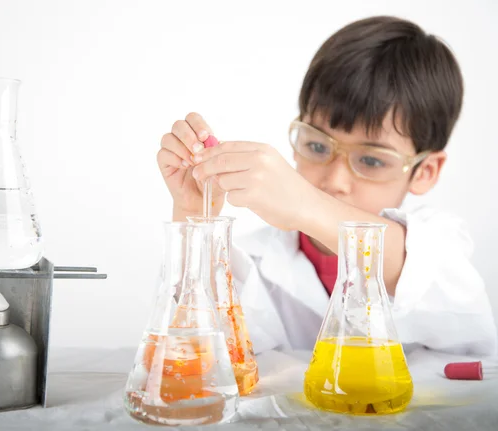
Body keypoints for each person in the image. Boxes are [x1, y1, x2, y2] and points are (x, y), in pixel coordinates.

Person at [156, 16, 497, 356]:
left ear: (425, 171)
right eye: (318, 146)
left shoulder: (438, 243)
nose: (334, 181)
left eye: (372, 160)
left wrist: (306, 204)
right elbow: (194, 351)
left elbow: (406, 261)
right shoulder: (252, 263)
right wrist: (193, 213)